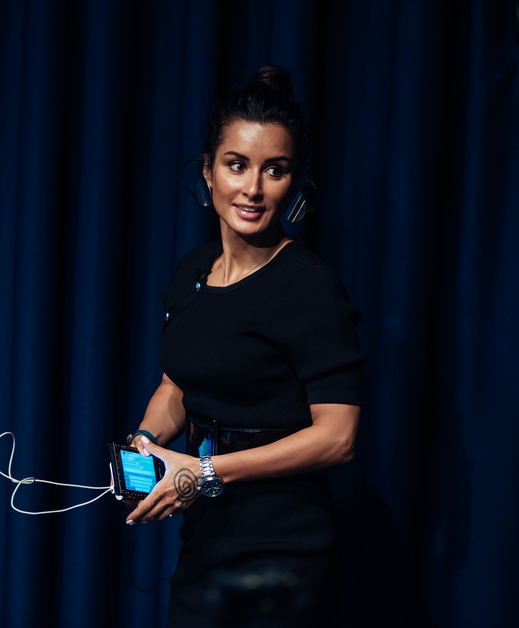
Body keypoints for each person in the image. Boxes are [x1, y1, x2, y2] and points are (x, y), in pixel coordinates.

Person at [123, 66, 364, 627]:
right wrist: (144, 444)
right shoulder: (193, 270)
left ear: (295, 183)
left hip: (281, 553)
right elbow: (177, 385)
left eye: (274, 170)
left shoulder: (309, 287)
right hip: (206, 541)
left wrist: (205, 472)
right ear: (208, 171)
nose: (253, 189)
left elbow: (339, 437)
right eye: (237, 165)